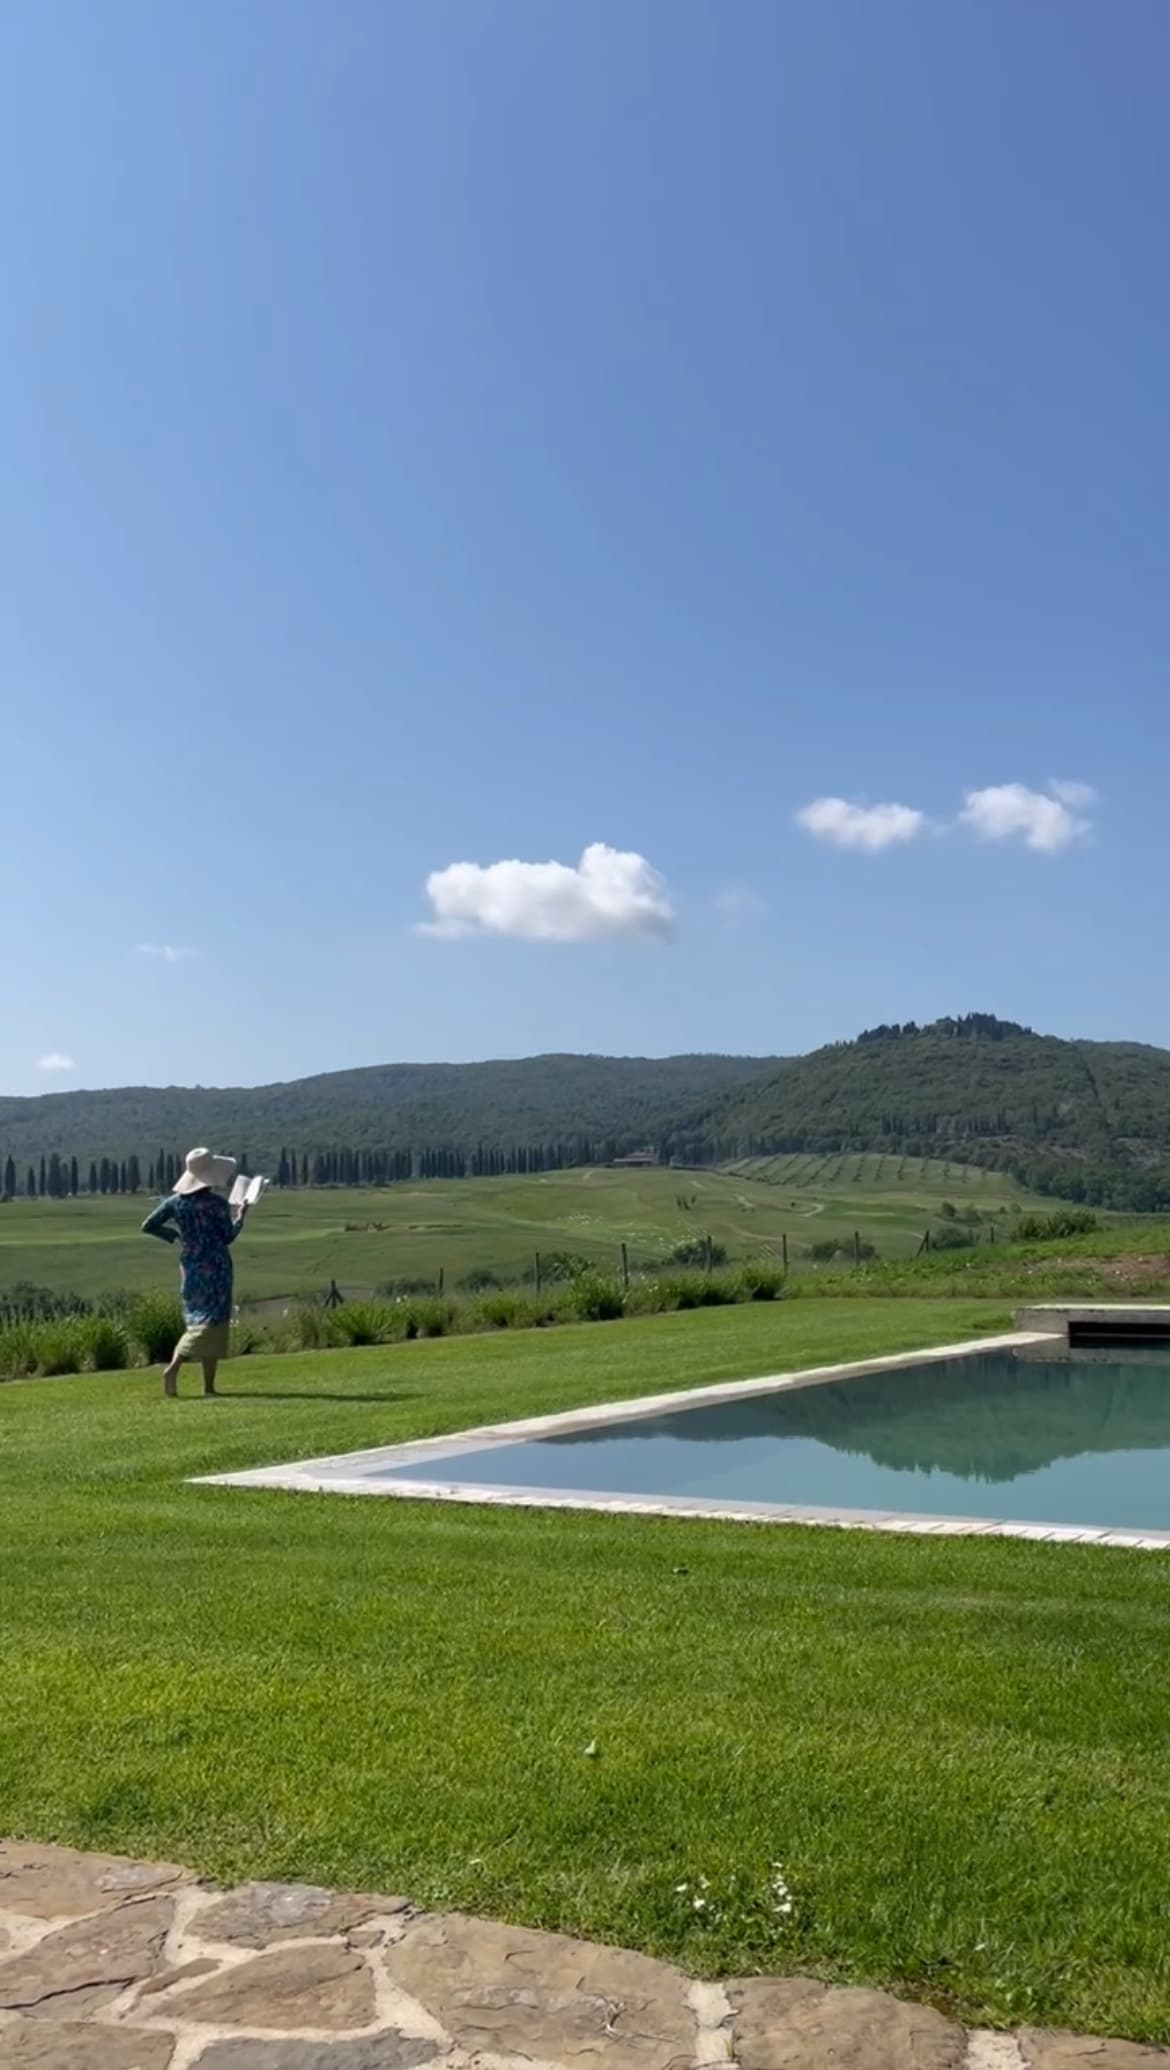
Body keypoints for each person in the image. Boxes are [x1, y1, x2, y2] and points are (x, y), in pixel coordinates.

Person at [141, 1148, 249, 1397]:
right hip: (218, 1268)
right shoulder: (217, 1205)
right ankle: (177, 1370)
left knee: (197, 1319)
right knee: (213, 1324)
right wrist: (240, 1217)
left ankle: (208, 1387)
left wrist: (173, 1236)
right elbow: (228, 1236)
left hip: (190, 1268)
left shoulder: (175, 1203)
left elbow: (148, 1225)